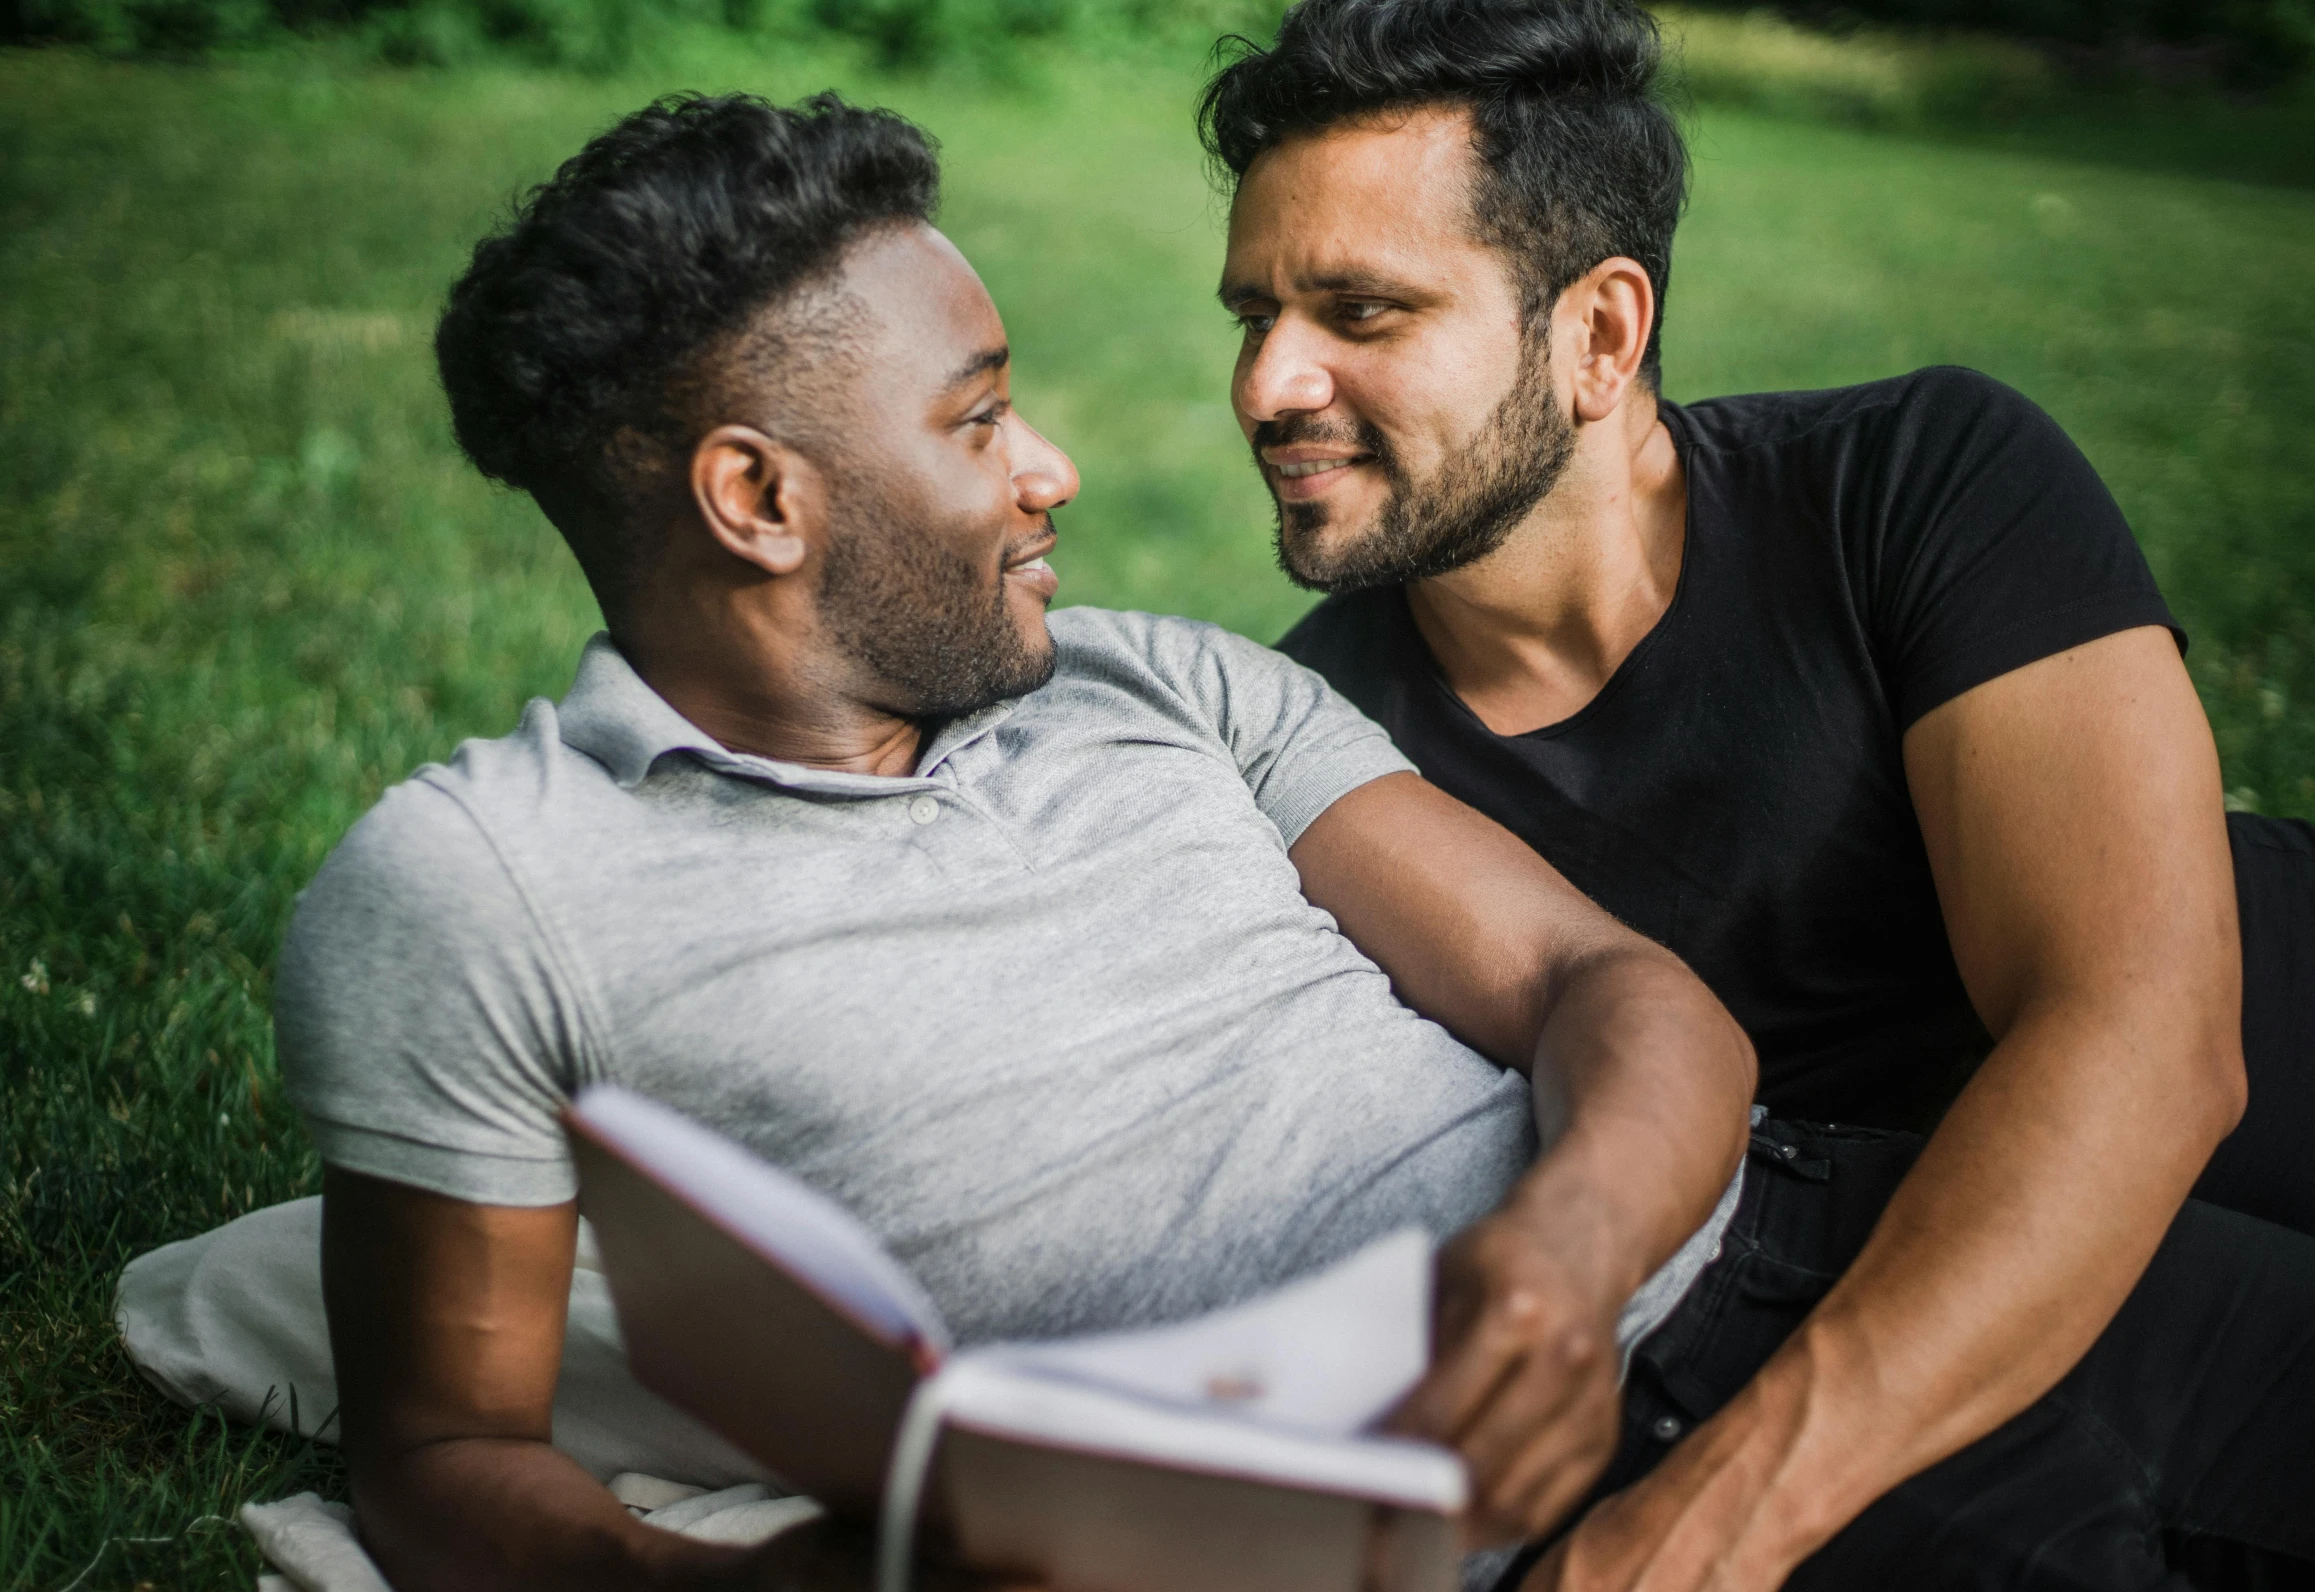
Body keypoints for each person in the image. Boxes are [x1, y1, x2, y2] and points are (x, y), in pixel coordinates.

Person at [278, 88, 1762, 1591]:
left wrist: (1568, 1261)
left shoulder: (1157, 676)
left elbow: (1604, 983)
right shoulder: (484, 882)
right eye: (978, 418)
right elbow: (440, 1457)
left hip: (1756, 1280)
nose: (1048, 468)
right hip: (1388, 1543)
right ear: (758, 498)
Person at [1201, 0, 2315, 1585]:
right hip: (1965, 1339)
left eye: (1360, 314)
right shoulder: (1317, 761)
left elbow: (2142, 1036)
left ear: (1597, 334)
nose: (1266, 385)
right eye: (1254, 315)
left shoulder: (1914, 480)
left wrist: (1705, 1526)